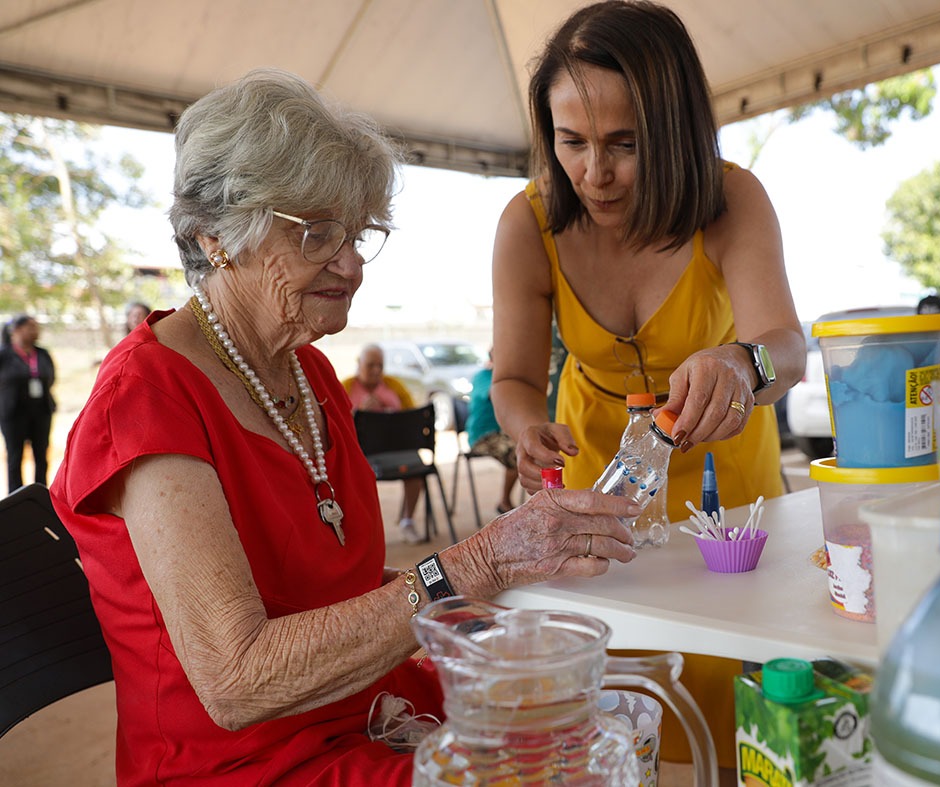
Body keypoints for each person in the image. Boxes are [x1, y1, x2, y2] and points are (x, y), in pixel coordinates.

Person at [49, 68, 637, 786]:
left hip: (367, 711)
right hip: (245, 764)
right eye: (317, 234)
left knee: (600, 726)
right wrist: (471, 566)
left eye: (356, 233)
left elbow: (332, 587)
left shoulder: (310, 373)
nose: (352, 264)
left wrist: (489, 589)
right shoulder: (146, 397)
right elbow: (235, 680)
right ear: (216, 237)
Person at [488, 0, 805, 767]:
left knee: (730, 701)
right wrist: (525, 428)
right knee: (611, 708)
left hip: (725, 479)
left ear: (673, 130)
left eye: (624, 145)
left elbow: (787, 350)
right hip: (596, 480)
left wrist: (741, 364)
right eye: (571, 141)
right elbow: (515, 377)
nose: (594, 173)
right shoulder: (527, 223)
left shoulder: (731, 198)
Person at [342, 343, 425, 543]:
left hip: (397, 450)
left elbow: (413, 419)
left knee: (416, 467)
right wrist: (359, 413)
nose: (376, 370)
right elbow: (337, 426)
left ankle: (407, 521)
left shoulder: (394, 386)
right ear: (359, 364)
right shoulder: (345, 388)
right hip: (362, 455)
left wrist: (390, 412)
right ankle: (362, 532)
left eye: (380, 365)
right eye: (370, 365)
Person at [0, 315, 56, 493]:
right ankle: (15, 497)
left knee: (41, 455)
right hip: (13, 413)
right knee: (15, 456)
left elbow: (51, 377)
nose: (35, 331)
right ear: (17, 330)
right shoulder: (4, 355)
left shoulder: (42, 354)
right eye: (30, 327)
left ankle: (41, 495)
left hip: (41, 411)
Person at [466, 347, 519, 514]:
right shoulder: (483, 376)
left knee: (528, 447)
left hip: (503, 433)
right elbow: (496, 394)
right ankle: (505, 502)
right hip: (483, 435)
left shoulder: (511, 379)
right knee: (517, 452)